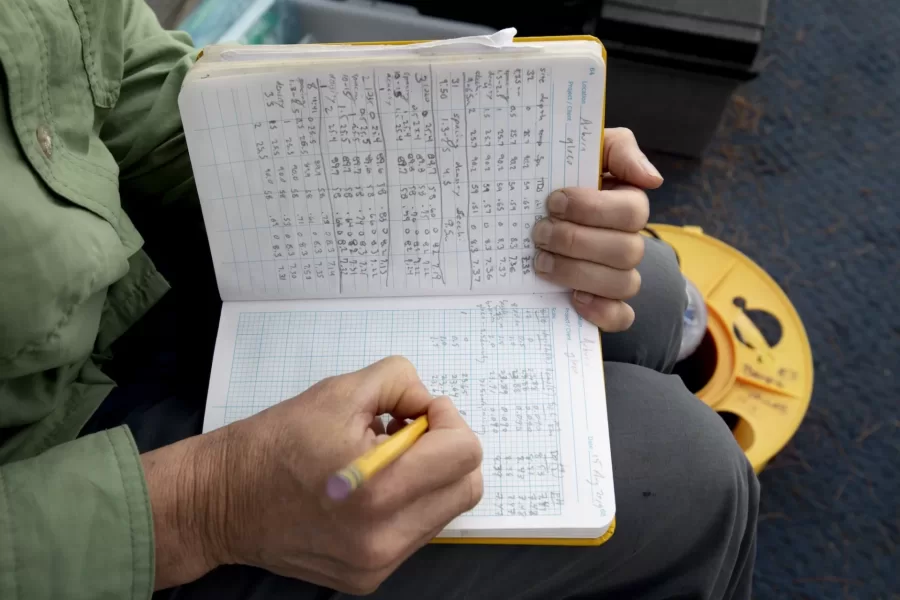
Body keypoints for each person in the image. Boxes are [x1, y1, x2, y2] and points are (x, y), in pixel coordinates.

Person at [0, 1, 759, 598]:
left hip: (120, 274)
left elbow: (118, 74)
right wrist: (206, 508)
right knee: (689, 477)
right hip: (64, 492)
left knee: (649, 289)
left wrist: (496, 158)